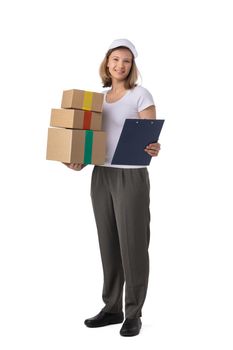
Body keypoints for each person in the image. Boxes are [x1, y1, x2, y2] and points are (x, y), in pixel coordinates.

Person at [65, 39, 161, 336]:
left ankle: (133, 312)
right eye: (116, 59)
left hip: (130, 176)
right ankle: (111, 308)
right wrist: (76, 159)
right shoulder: (97, 100)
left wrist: (154, 147)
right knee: (108, 243)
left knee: (132, 244)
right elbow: (90, 138)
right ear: (107, 62)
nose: (121, 65)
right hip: (102, 175)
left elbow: (149, 138)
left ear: (132, 67)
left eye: (127, 61)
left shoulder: (140, 95)